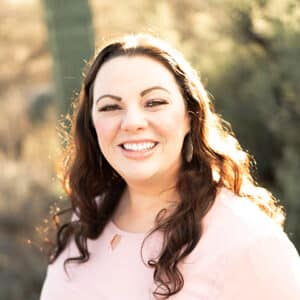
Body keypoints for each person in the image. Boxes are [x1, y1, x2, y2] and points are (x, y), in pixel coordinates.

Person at [40, 34, 300, 300]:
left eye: (154, 102)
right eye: (110, 106)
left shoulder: (249, 241)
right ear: (92, 126)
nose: (132, 122)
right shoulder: (85, 222)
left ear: (190, 116)